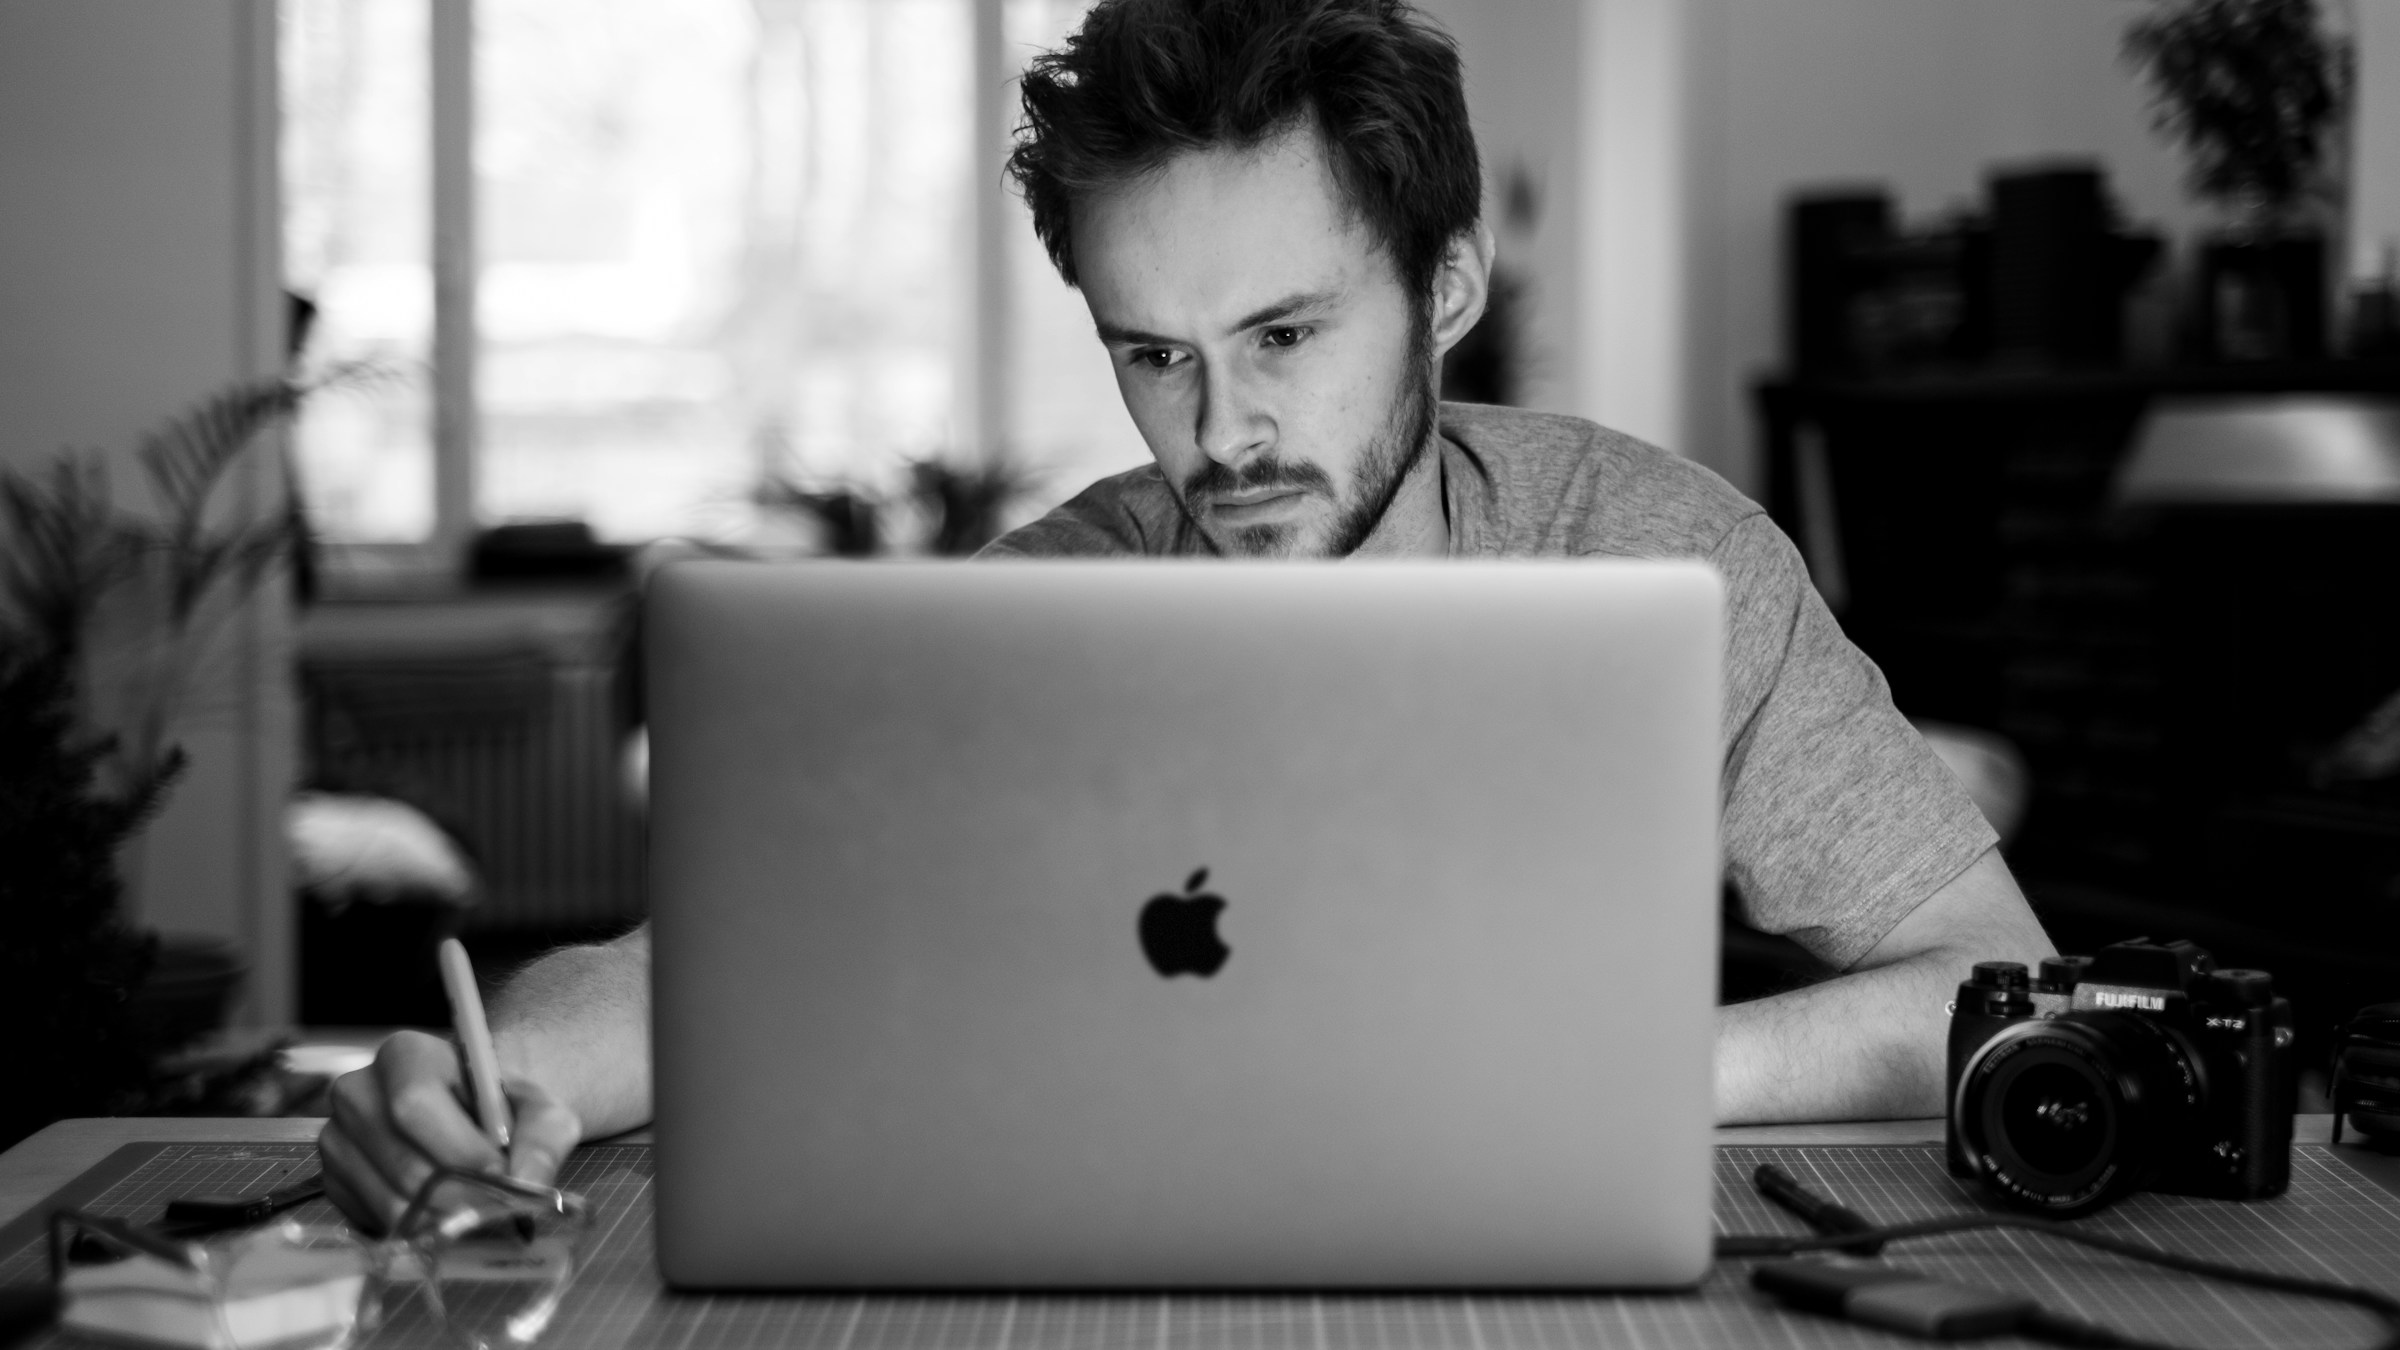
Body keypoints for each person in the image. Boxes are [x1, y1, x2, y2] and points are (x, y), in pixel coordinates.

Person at [317, 0, 2054, 1231]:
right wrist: (481, 1076)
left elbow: (1998, 980)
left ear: (1445, 285)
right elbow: (721, 961)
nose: (1219, 432)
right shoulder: (1044, 611)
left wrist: (1623, 1074)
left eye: (1285, 336)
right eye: (1154, 355)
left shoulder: (1668, 554)